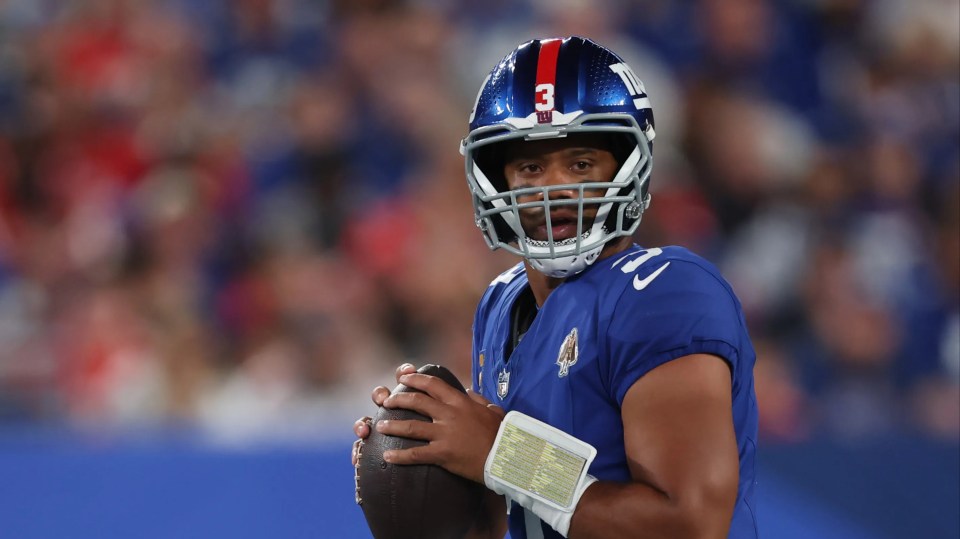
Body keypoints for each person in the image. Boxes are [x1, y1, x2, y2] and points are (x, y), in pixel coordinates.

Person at [352, 36, 759, 539]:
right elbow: (537, 512)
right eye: (530, 167)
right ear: (494, 181)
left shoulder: (665, 292)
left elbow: (690, 522)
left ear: (629, 164)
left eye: (582, 164)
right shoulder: (501, 304)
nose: (556, 187)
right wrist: (423, 474)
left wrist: (506, 453)